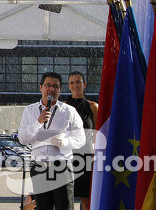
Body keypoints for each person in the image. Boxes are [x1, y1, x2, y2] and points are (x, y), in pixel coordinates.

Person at [18, 71, 85, 210]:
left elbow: (81, 139)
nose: (52, 89)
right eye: (48, 85)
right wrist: (38, 122)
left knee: (64, 207)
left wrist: (64, 142)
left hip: (62, 167)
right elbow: (23, 139)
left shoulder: (69, 111)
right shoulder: (30, 111)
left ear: (60, 90)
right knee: (43, 207)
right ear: (40, 87)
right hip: (39, 167)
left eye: (56, 86)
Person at [64, 71, 97, 210]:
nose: (75, 85)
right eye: (72, 82)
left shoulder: (93, 107)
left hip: (87, 157)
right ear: (68, 86)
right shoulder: (62, 107)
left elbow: (98, 134)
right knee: (65, 196)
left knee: (87, 198)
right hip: (67, 157)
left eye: (78, 82)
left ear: (85, 85)